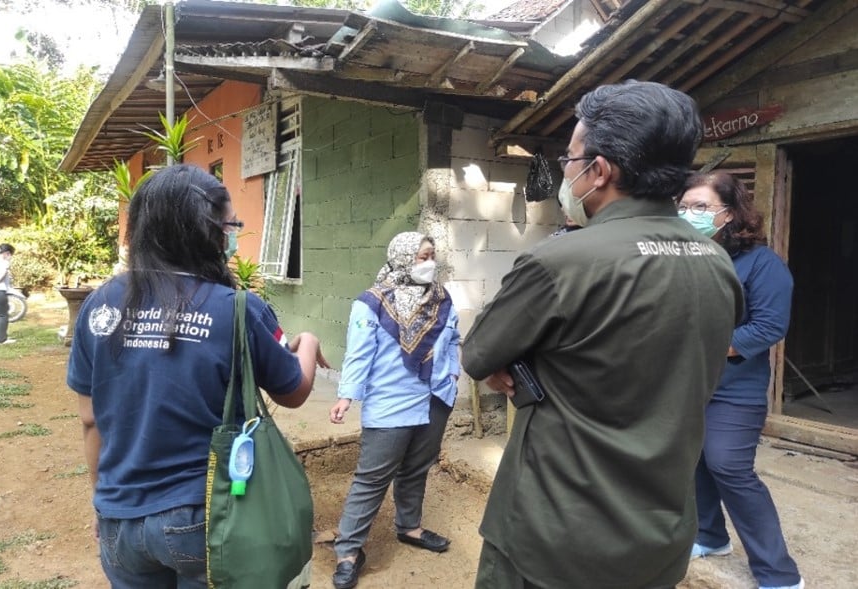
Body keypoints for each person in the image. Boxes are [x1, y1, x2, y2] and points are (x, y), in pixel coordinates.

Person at [461, 80, 745, 589]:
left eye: (570, 159)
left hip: (553, 538)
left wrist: (510, 358)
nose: (567, 172)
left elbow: (479, 352)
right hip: (658, 536)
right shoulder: (717, 263)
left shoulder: (562, 261)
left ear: (600, 170)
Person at [66, 164, 328, 588]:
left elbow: (90, 419)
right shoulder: (238, 308)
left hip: (120, 518)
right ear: (202, 232)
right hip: (206, 516)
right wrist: (310, 342)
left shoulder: (100, 306)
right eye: (229, 225)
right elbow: (294, 390)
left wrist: (105, 503)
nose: (231, 235)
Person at [679, 171, 803, 589]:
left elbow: (769, 327)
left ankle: (778, 572)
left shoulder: (762, 263)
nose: (687, 214)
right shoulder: (690, 256)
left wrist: (706, 345)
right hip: (691, 382)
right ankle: (710, 537)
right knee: (696, 460)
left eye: (700, 207)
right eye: (683, 206)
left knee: (729, 466)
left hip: (735, 388)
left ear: (729, 213)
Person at [329, 231, 460, 589]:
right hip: (391, 401)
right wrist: (347, 396)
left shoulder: (442, 299)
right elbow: (358, 354)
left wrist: (452, 375)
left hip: (434, 399)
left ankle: (410, 527)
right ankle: (348, 551)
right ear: (402, 258)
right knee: (371, 479)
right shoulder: (371, 302)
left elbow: (453, 341)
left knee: (416, 468)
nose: (429, 262)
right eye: (422, 257)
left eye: (432, 255)